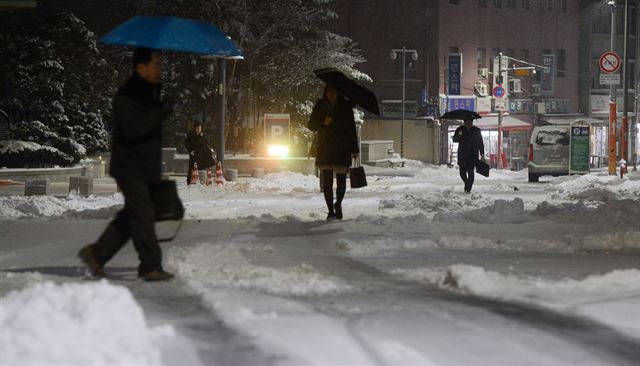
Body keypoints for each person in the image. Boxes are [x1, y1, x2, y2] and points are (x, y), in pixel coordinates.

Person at [77, 48, 175, 281]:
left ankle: (97, 254)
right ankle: (150, 265)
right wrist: (160, 112)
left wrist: (160, 106)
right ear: (141, 67)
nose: (159, 70)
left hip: (143, 167)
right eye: (155, 65)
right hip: (131, 168)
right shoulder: (128, 95)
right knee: (143, 214)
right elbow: (134, 129)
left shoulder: (146, 94)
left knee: (134, 214)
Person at [309, 84, 359, 220]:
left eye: (334, 92)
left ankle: (338, 204)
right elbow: (311, 125)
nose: (331, 94)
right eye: (328, 92)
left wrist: (354, 148)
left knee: (341, 181)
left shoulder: (346, 107)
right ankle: (331, 211)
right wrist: (323, 122)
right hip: (325, 148)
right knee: (327, 183)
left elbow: (351, 128)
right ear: (325, 92)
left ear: (339, 93)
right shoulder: (320, 106)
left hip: (342, 147)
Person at [452, 117, 485, 193]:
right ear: (464, 122)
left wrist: (482, 153)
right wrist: (459, 135)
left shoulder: (476, 131)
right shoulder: (460, 129)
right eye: (467, 122)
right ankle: (467, 183)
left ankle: (468, 187)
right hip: (462, 154)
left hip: (472, 154)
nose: (469, 123)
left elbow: (480, 142)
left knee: (471, 172)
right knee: (462, 173)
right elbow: (454, 139)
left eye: (470, 122)